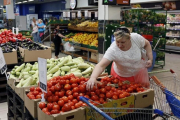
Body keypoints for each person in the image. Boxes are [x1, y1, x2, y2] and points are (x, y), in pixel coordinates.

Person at [86, 26, 153, 90]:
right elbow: (101, 65)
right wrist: (93, 77)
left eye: (123, 42)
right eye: (117, 42)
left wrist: (150, 59)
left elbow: (147, 44)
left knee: (141, 93)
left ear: (129, 38)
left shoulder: (136, 38)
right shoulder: (113, 50)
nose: (120, 45)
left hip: (139, 73)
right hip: (121, 75)